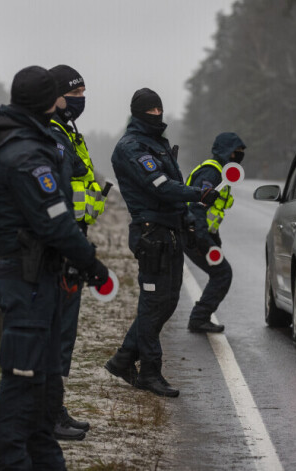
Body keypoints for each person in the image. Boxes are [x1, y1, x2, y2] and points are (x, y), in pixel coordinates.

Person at [0, 65, 109, 470]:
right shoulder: (24, 153)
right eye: (59, 97)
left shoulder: (12, 136)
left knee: (42, 392)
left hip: (36, 276)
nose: (65, 103)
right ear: (46, 100)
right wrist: (91, 262)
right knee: (22, 388)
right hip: (28, 279)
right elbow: (53, 220)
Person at [105, 88, 218, 397]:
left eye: (160, 109)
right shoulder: (132, 148)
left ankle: (123, 359)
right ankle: (149, 372)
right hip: (151, 236)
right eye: (151, 111)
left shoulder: (157, 144)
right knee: (153, 304)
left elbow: (172, 189)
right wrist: (198, 194)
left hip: (168, 234)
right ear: (139, 113)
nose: (158, 115)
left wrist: (190, 220)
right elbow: (161, 187)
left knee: (166, 302)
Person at [48, 64, 106, 440]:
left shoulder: (69, 133)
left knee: (63, 335)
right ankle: (48, 414)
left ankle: (56, 408)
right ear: (55, 96)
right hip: (62, 246)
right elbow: (57, 198)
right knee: (54, 336)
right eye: (75, 94)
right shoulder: (51, 136)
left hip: (74, 239)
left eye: (84, 93)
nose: (81, 100)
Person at [184, 133, 246, 333]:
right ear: (227, 152)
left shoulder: (220, 173)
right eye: (236, 153)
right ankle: (198, 318)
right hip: (193, 233)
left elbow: (213, 212)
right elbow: (197, 207)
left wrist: (214, 240)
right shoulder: (212, 173)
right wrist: (204, 241)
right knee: (222, 273)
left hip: (198, 233)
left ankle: (199, 317)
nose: (239, 157)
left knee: (220, 273)